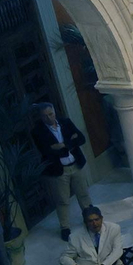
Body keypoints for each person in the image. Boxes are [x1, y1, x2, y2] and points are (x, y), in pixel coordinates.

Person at [31, 102, 90, 239]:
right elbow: (46, 151)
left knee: (83, 194)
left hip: (76, 164)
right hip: (58, 170)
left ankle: (89, 217)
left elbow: (81, 138)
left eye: (50, 114)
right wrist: (70, 142)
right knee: (62, 200)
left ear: (54, 112)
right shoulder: (37, 131)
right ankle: (65, 227)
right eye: (45, 116)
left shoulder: (66, 122)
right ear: (41, 117)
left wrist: (63, 145)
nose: (49, 118)